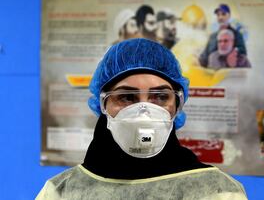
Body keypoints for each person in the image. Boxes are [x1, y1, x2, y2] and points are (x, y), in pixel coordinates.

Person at [36, 38, 247, 200]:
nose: (144, 112)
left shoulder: (218, 192)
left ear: (177, 106)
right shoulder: (59, 192)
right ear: (103, 105)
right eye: (127, 97)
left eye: (161, 97)